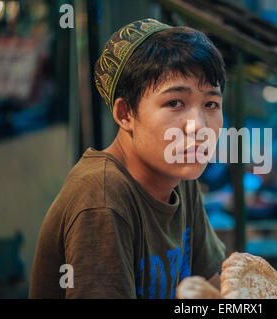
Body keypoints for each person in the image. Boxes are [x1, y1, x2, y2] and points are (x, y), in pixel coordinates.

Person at [29, 18, 226, 298]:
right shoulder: (103, 197)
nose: (199, 126)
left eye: (210, 104)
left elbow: (215, 285)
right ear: (125, 114)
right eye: (174, 103)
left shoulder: (180, 177)